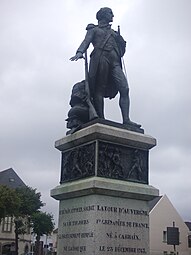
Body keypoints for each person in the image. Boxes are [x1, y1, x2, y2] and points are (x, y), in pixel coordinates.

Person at [70, 7, 139, 126]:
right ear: (102, 15)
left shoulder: (113, 33)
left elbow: (121, 50)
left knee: (125, 88)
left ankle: (126, 119)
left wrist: (120, 41)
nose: (112, 15)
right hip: (100, 58)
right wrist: (80, 52)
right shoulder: (94, 30)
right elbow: (86, 41)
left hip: (115, 62)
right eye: (110, 13)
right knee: (99, 89)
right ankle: (100, 118)